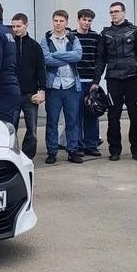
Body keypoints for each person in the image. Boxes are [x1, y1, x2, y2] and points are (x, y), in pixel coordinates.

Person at [94, 1, 137, 161]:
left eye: (117, 11)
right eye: (111, 12)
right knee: (113, 116)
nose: (114, 14)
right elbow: (100, 59)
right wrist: (96, 81)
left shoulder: (135, 31)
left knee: (135, 115)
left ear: (124, 13)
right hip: (113, 79)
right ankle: (115, 150)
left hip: (134, 78)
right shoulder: (105, 34)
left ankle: (136, 150)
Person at [40, 10, 83, 164]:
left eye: (61, 21)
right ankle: (52, 152)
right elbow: (46, 59)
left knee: (72, 120)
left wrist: (57, 55)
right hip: (54, 87)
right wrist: (67, 57)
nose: (58, 24)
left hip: (71, 85)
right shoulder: (45, 40)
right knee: (52, 121)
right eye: (56, 21)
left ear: (66, 22)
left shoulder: (73, 38)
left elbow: (77, 56)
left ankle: (72, 150)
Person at [10, 13, 46, 160]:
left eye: (18, 26)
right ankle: (12, 156)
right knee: (11, 128)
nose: (15, 29)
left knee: (32, 129)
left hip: (30, 94)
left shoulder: (35, 46)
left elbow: (41, 69)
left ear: (26, 25)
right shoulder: (9, 44)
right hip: (12, 94)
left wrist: (42, 90)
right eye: (13, 26)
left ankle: (28, 157)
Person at [73, 9, 102, 156]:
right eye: (84, 19)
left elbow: (99, 60)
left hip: (91, 81)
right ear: (78, 20)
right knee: (76, 115)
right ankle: (78, 145)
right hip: (75, 81)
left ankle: (91, 145)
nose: (87, 23)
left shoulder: (96, 37)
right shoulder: (71, 36)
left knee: (92, 113)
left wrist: (96, 81)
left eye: (89, 20)